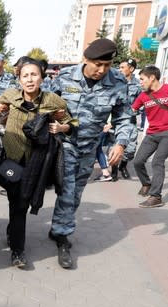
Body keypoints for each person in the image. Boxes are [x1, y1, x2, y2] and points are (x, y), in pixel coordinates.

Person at [50, 38, 133, 268]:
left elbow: (124, 117)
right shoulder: (65, 78)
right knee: (67, 191)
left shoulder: (116, 81)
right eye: (97, 64)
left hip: (90, 146)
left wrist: (121, 143)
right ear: (85, 59)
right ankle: (62, 236)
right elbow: (43, 103)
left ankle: (58, 228)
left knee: (75, 193)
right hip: (65, 144)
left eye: (107, 65)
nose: (102, 70)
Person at [0, 58, 77, 267]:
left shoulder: (52, 100)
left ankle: (16, 243)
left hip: (37, 162)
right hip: (12, 159)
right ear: (19, 79)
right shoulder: (9, 96)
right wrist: (1, 115)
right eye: (25, 75)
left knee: (22, 204)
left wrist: (61, 128)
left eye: (34, 75)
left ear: (42, 77)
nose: (30, 80)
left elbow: (72, 123)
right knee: (15, 202)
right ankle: (15, 241)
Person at [131, 65, 168, 208]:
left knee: (157, 162)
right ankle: (146, 183)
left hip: (167, 133)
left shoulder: (167, 89)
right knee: (138, 161)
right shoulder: (143, 95)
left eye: (142, 79)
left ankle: (156, 197)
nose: (140, 82)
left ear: (152, 78)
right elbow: (132, 110)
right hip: (152, 134)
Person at [116, 58, 141, 180]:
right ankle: (113, 171)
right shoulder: (114, 82)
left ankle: (123, 165)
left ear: (131, 69)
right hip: (115, 120)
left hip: (130, 120)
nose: (119, 70)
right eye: (119, 67)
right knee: (113, 145)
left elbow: (143, 102)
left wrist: (136, 110)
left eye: (122, 67)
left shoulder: (138, 85)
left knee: (130, 149)